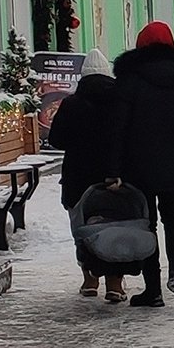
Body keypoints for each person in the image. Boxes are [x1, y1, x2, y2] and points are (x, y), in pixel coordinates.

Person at [107, 21, 174, 308]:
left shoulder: (130, 79)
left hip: (139, 164)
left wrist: (114, 169)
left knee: (147, 224)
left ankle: (152, 290)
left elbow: (118, 127)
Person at [47, 48, 126, 303]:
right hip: (113, 177)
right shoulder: (120, 101)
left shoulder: (71, 103)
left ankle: (90, 278)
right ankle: (115, 283)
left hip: (78, 178)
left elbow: (56, 139)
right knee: (115, 226)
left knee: (81, 226)